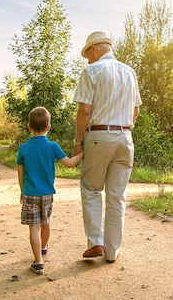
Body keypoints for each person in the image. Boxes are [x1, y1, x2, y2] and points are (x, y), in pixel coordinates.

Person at [72, 31, 141, 264]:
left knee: (91, 189)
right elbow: (135, 110)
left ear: (94, 50)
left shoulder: (92, 71)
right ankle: (112, 251)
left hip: (98, 136)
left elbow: (84, 110)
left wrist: (78, 141)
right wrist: (124, 129)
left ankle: (95, 243)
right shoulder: (129, 72)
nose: (87, 60)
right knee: (117, 196)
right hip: (125, 137)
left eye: (87, 55)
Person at [17, 106, 83, 274]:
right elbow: (69, 164)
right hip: (47, 193)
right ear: (48, 127)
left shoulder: (23, 148)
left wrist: (22, 191)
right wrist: (83, 153)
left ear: (29, 126)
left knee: (34, 227)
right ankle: (44, 247)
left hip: (30, 193)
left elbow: (21, 173)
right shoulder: (52, 146)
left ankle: (38, 262)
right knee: (45, 222)